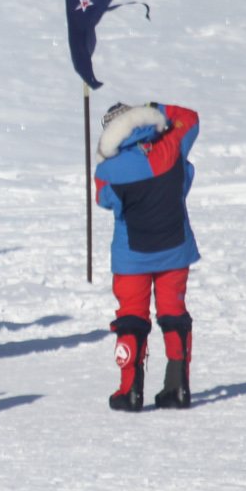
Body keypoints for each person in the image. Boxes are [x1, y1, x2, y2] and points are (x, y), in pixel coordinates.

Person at [94, 101, 201, 411]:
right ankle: (177, 387)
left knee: (131, 318)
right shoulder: (172, 144)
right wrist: (156, 108)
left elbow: (104, 200)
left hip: (132, 257)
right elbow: (190, 118)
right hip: (175, 251)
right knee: (174, 314)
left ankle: (130, 391)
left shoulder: (107, 170)